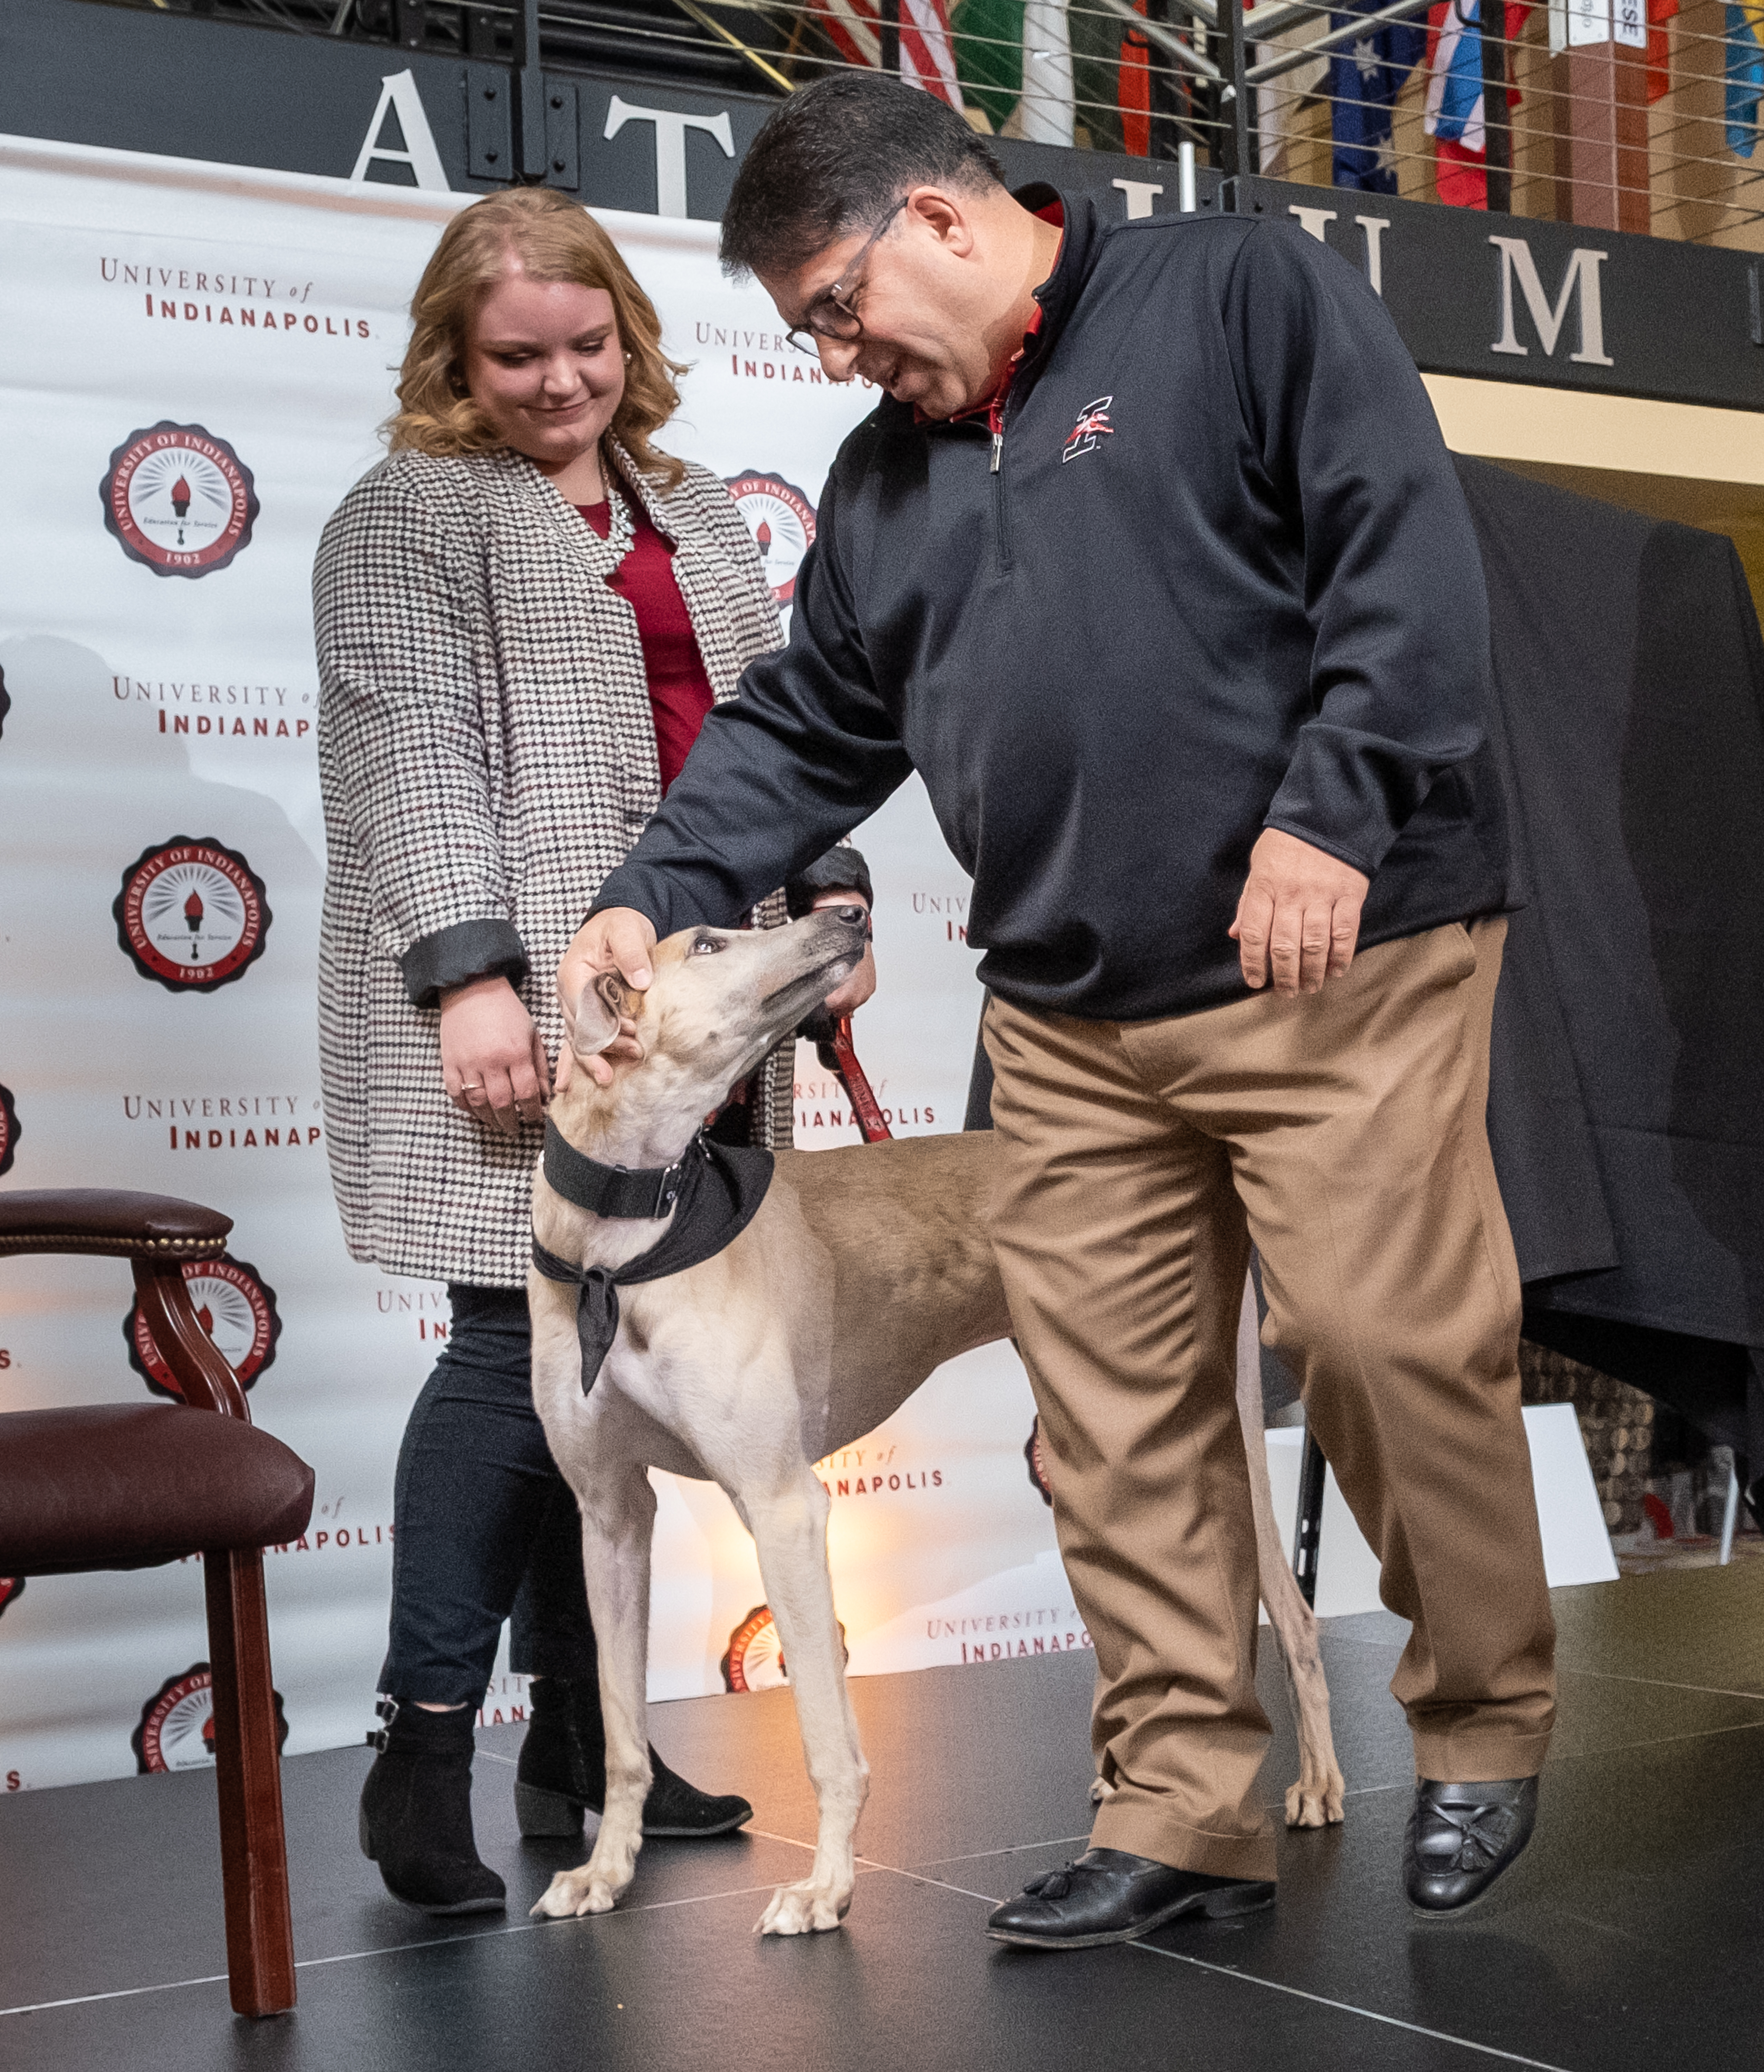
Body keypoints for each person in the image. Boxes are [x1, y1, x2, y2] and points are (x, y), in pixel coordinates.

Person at [559, 76, 1557, 1947]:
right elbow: (803, 727)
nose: (840, 357)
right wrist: (653, 892)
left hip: (1330, 955)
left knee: (1372, 1339)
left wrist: (1328, 817)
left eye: (840, 309)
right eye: (809, 335)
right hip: (1071, 1013)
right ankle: (1183, 1804)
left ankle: (1485, 1724)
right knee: (1110, 1423)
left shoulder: (1243, 296)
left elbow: (1402, 561)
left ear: (942, 218)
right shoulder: (881, 485)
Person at [313, 186, 874, 1917]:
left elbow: (782, 714)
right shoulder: (405, 515)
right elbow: (411, 756)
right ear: (451, 358)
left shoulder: (697, 511)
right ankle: (419, 1753)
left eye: (587, 346)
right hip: (521, 1007)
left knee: (617, 1373)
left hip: (691, 1002)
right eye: (514, 358)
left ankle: (581, 1741)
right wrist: (469, 977)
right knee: (518, 1348)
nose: (559, 385)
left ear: (627, 333)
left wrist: (826, 907)